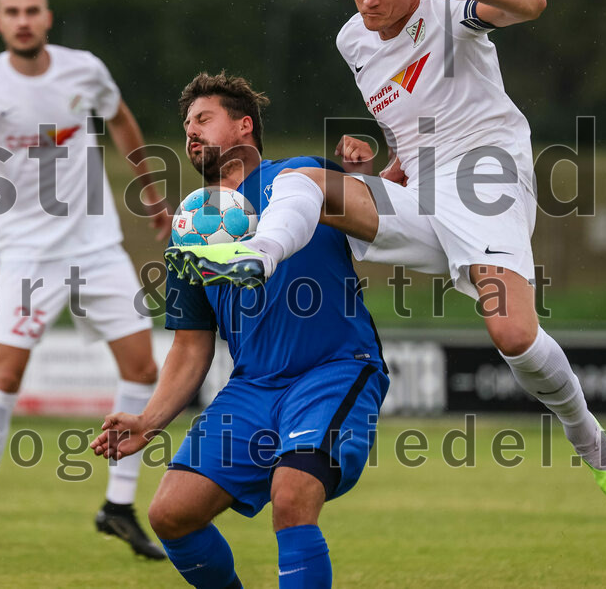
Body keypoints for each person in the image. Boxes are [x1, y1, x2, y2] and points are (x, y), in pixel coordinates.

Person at [166, 0, 606, 512]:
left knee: (513, 334)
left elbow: (533, 4)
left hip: (485, 177)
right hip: (423, 190)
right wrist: (378, 172)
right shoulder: (353, 41)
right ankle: (256, 255)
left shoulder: (449, 8)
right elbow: (414, 133)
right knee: (302, 180)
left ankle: (592, 443)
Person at [91, 72, 389, 589]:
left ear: (244, 126)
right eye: (186, 125)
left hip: (334, 370)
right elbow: (190, 345)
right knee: (171, 515)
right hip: (253, 387)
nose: (191, 132)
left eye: (204, 119)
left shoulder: (302, 177)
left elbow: (392, 216)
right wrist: (150, 421)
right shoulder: (189, 230)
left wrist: (370, 177)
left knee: (292, 496)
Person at [0, 0, 171, 560]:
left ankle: (117, 507)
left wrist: (151, 194)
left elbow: (122, 121)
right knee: (5, 380)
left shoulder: (84, 70)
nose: (23, 20)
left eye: (32, 11)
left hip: (98, 246)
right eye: (12, 12)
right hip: (27, 256)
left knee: (144, 369)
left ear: (47, 18)